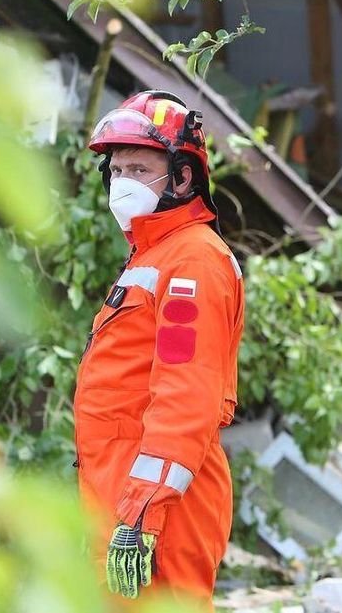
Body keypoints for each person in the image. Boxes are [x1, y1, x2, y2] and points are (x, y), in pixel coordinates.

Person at [75, 90, 244, 607]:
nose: (123, 182)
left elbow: (185, 396)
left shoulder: (191, 262)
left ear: (181, 176)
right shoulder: (157, 254)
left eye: (138, 168)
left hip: (160, 511)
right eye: (117, 169)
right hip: (125, 496)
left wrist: (143, 512)